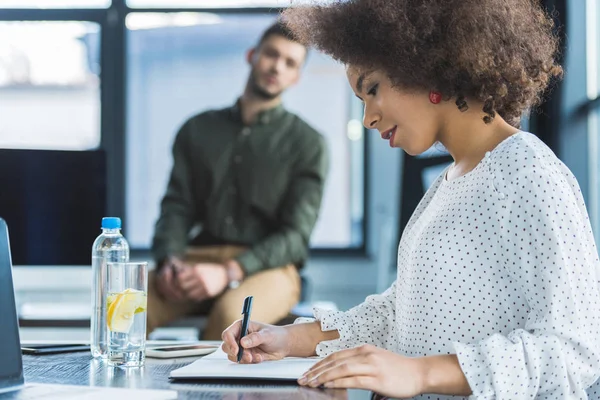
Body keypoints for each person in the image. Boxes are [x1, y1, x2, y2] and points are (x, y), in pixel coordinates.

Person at [221, 1, 600, 399]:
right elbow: (397, 314)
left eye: (372, 89)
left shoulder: (529, 172)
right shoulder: (447, 184)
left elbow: (575, 349)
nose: (367, 118)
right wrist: (285, 338)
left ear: (427, 65)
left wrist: (419, 374)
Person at [148, 21, 329, 340]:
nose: (277, 66)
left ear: (296, 77)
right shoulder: (197, 129)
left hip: (269, 269)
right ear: (252, 55)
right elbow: (177, 205)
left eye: (290, 63)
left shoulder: (308, 143)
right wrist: (170, 258)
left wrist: (229, 271)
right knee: (126, 304)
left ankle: (202, 393)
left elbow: (296, 236)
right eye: (271, 54)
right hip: (197, 259)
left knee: (231, 318)